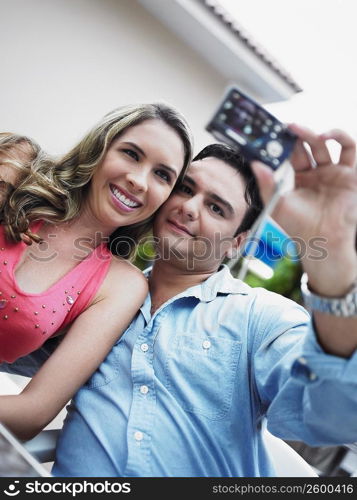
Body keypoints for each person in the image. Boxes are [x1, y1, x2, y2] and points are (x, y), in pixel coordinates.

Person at [4, 125, 357, 477]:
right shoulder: (97, 293)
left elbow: (334, 416)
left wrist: (336, 281)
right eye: (185, 189)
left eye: (217, 208)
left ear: (237, 243)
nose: (189, 207)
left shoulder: (259, 317)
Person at [0, 103, 193, 440]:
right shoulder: (18, 167)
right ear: (100, 147)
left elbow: (33, 412)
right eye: (131, 154)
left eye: (162, 175)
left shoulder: (121, 285)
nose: (138, 181)